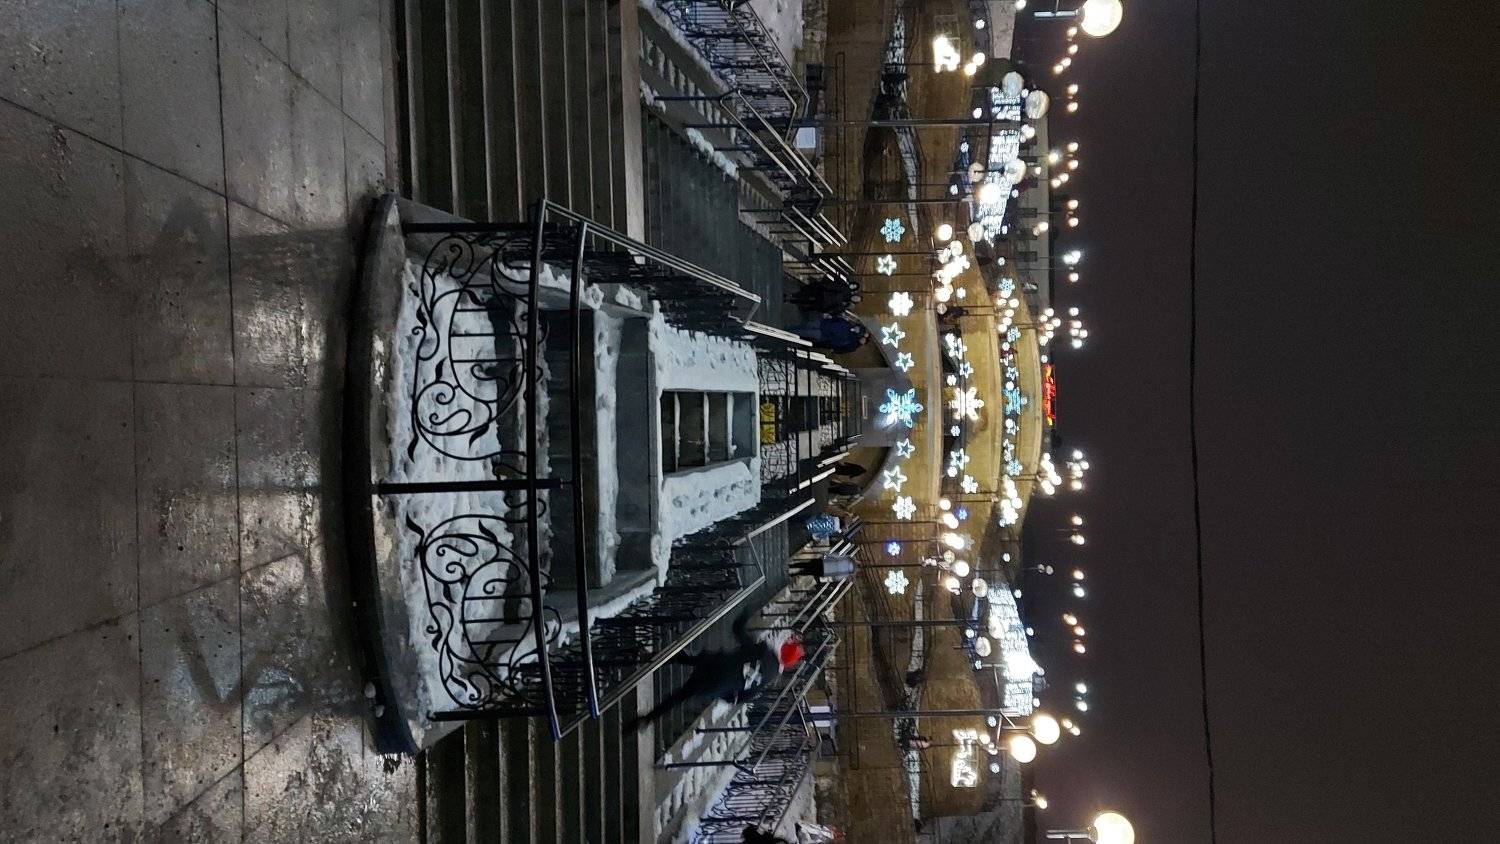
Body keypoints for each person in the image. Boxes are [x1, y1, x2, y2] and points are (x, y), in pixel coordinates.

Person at [627, 611, 802, 730]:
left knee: (686, 658)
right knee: (681, 695)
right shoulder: (770, 677)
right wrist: (723, 692)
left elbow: (738, 631)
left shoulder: (764, 651)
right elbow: (743, 697)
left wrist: (745, 614)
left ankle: (649, 657)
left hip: (716, 665)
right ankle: (647, 719)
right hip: (716, 686)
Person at [789, 552, 855, 581]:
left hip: (824, 563)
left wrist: (826, 554)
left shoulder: (846, 559)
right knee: (809, 572)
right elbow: (837, 578)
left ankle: (792, 566)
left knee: (807, 564)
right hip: (825, 572)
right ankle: (793, 574)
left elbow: (835, 556)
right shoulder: (846, 573)